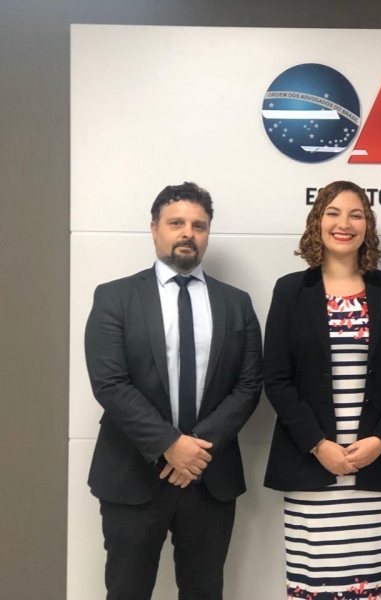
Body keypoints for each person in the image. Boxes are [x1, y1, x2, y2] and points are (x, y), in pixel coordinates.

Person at [84, 182, 263, 600]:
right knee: (127, 592)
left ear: (208, 233)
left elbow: (249, 384)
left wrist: (194, 450)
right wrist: (169, 444)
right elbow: (110, 382)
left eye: (199, 225)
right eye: (176, 223)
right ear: (154, 228)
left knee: (204, 592)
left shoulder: (236, 303)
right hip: (132, 474)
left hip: (208, 476)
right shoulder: (115, 297)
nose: (188, 233)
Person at [262, 181, 381, 600]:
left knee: (371, 584)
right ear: (317, 221)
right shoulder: (290, 290)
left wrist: (380, 440)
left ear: (368, 225)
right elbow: (276, 378)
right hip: (312, 467)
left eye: (356, 215)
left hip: (375, 469)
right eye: (333, 213)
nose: (344, 224)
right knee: (315, 584)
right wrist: (318, 445)